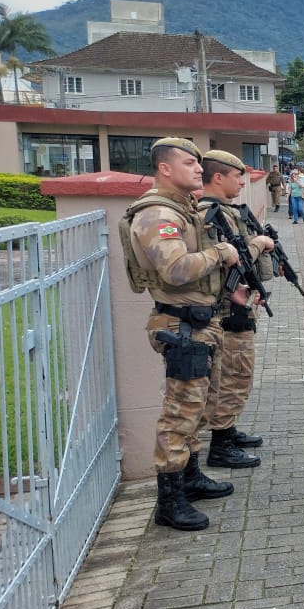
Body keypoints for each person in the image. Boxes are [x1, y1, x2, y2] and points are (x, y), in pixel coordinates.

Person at [117, 137, 241, 531]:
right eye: (189, 163)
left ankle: (189, 478)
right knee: (179, 413)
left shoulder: (185, 210)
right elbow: (175, 270)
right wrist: (220, 253)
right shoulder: (156, 214)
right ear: (165, 168)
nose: (198, 169)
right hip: (180, 325)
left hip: (200, 322)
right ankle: (169, 500)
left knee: (197, 408)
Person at [198, 150, 275, 469]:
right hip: (227, 311)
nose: (243, 181)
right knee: (233, 374)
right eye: (237, 176)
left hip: (236, 305)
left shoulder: (227, 211)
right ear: (218, 177)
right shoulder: (209, 214)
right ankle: (220, 444)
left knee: (235, 374)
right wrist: (262, 244)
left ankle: (226, 431)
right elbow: (231, 259)